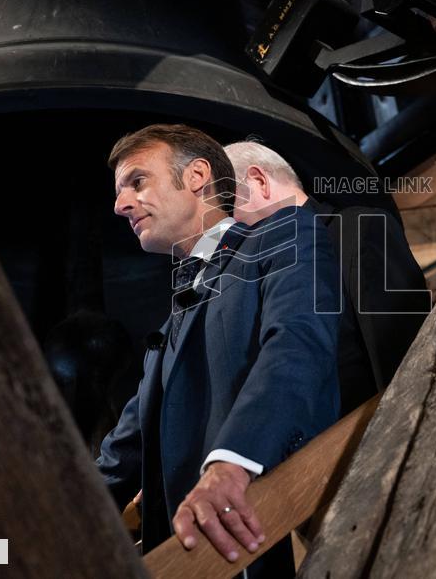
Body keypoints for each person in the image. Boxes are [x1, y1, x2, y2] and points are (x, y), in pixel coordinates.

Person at [96, 124, 340, 575]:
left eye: (137, 181)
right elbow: (117, 460)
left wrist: (231, 464)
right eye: (119, 192)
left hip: (267, 538)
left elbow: (296, 346)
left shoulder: (284, 234)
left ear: (196, 176)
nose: (120, 205)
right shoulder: (166, 334)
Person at [225, 140, 430, 415]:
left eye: (226, 208)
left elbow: (406, 351)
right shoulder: (256, 281)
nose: (224, 229)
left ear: (259, 181)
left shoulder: (359, 229)